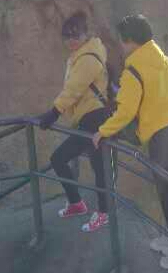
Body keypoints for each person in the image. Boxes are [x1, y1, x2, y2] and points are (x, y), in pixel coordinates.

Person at [93, 13, 168, 271]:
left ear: (129, 41)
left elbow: (125, 111)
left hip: (164, 139)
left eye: (122, 40)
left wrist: (103, 131)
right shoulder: (162, 60)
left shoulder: (133, 69)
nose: (121, 45)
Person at [36, 12, 113, 233]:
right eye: (66, 36)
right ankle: (76, 203)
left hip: (96, 118)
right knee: (59, 158)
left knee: (99, 167)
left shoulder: (88, 57)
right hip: (86, 119)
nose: (71, 40)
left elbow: (74, 88)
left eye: (75, 35)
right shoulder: (80, 55)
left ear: (85, 34)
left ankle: (104, 214)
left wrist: (54, 112)